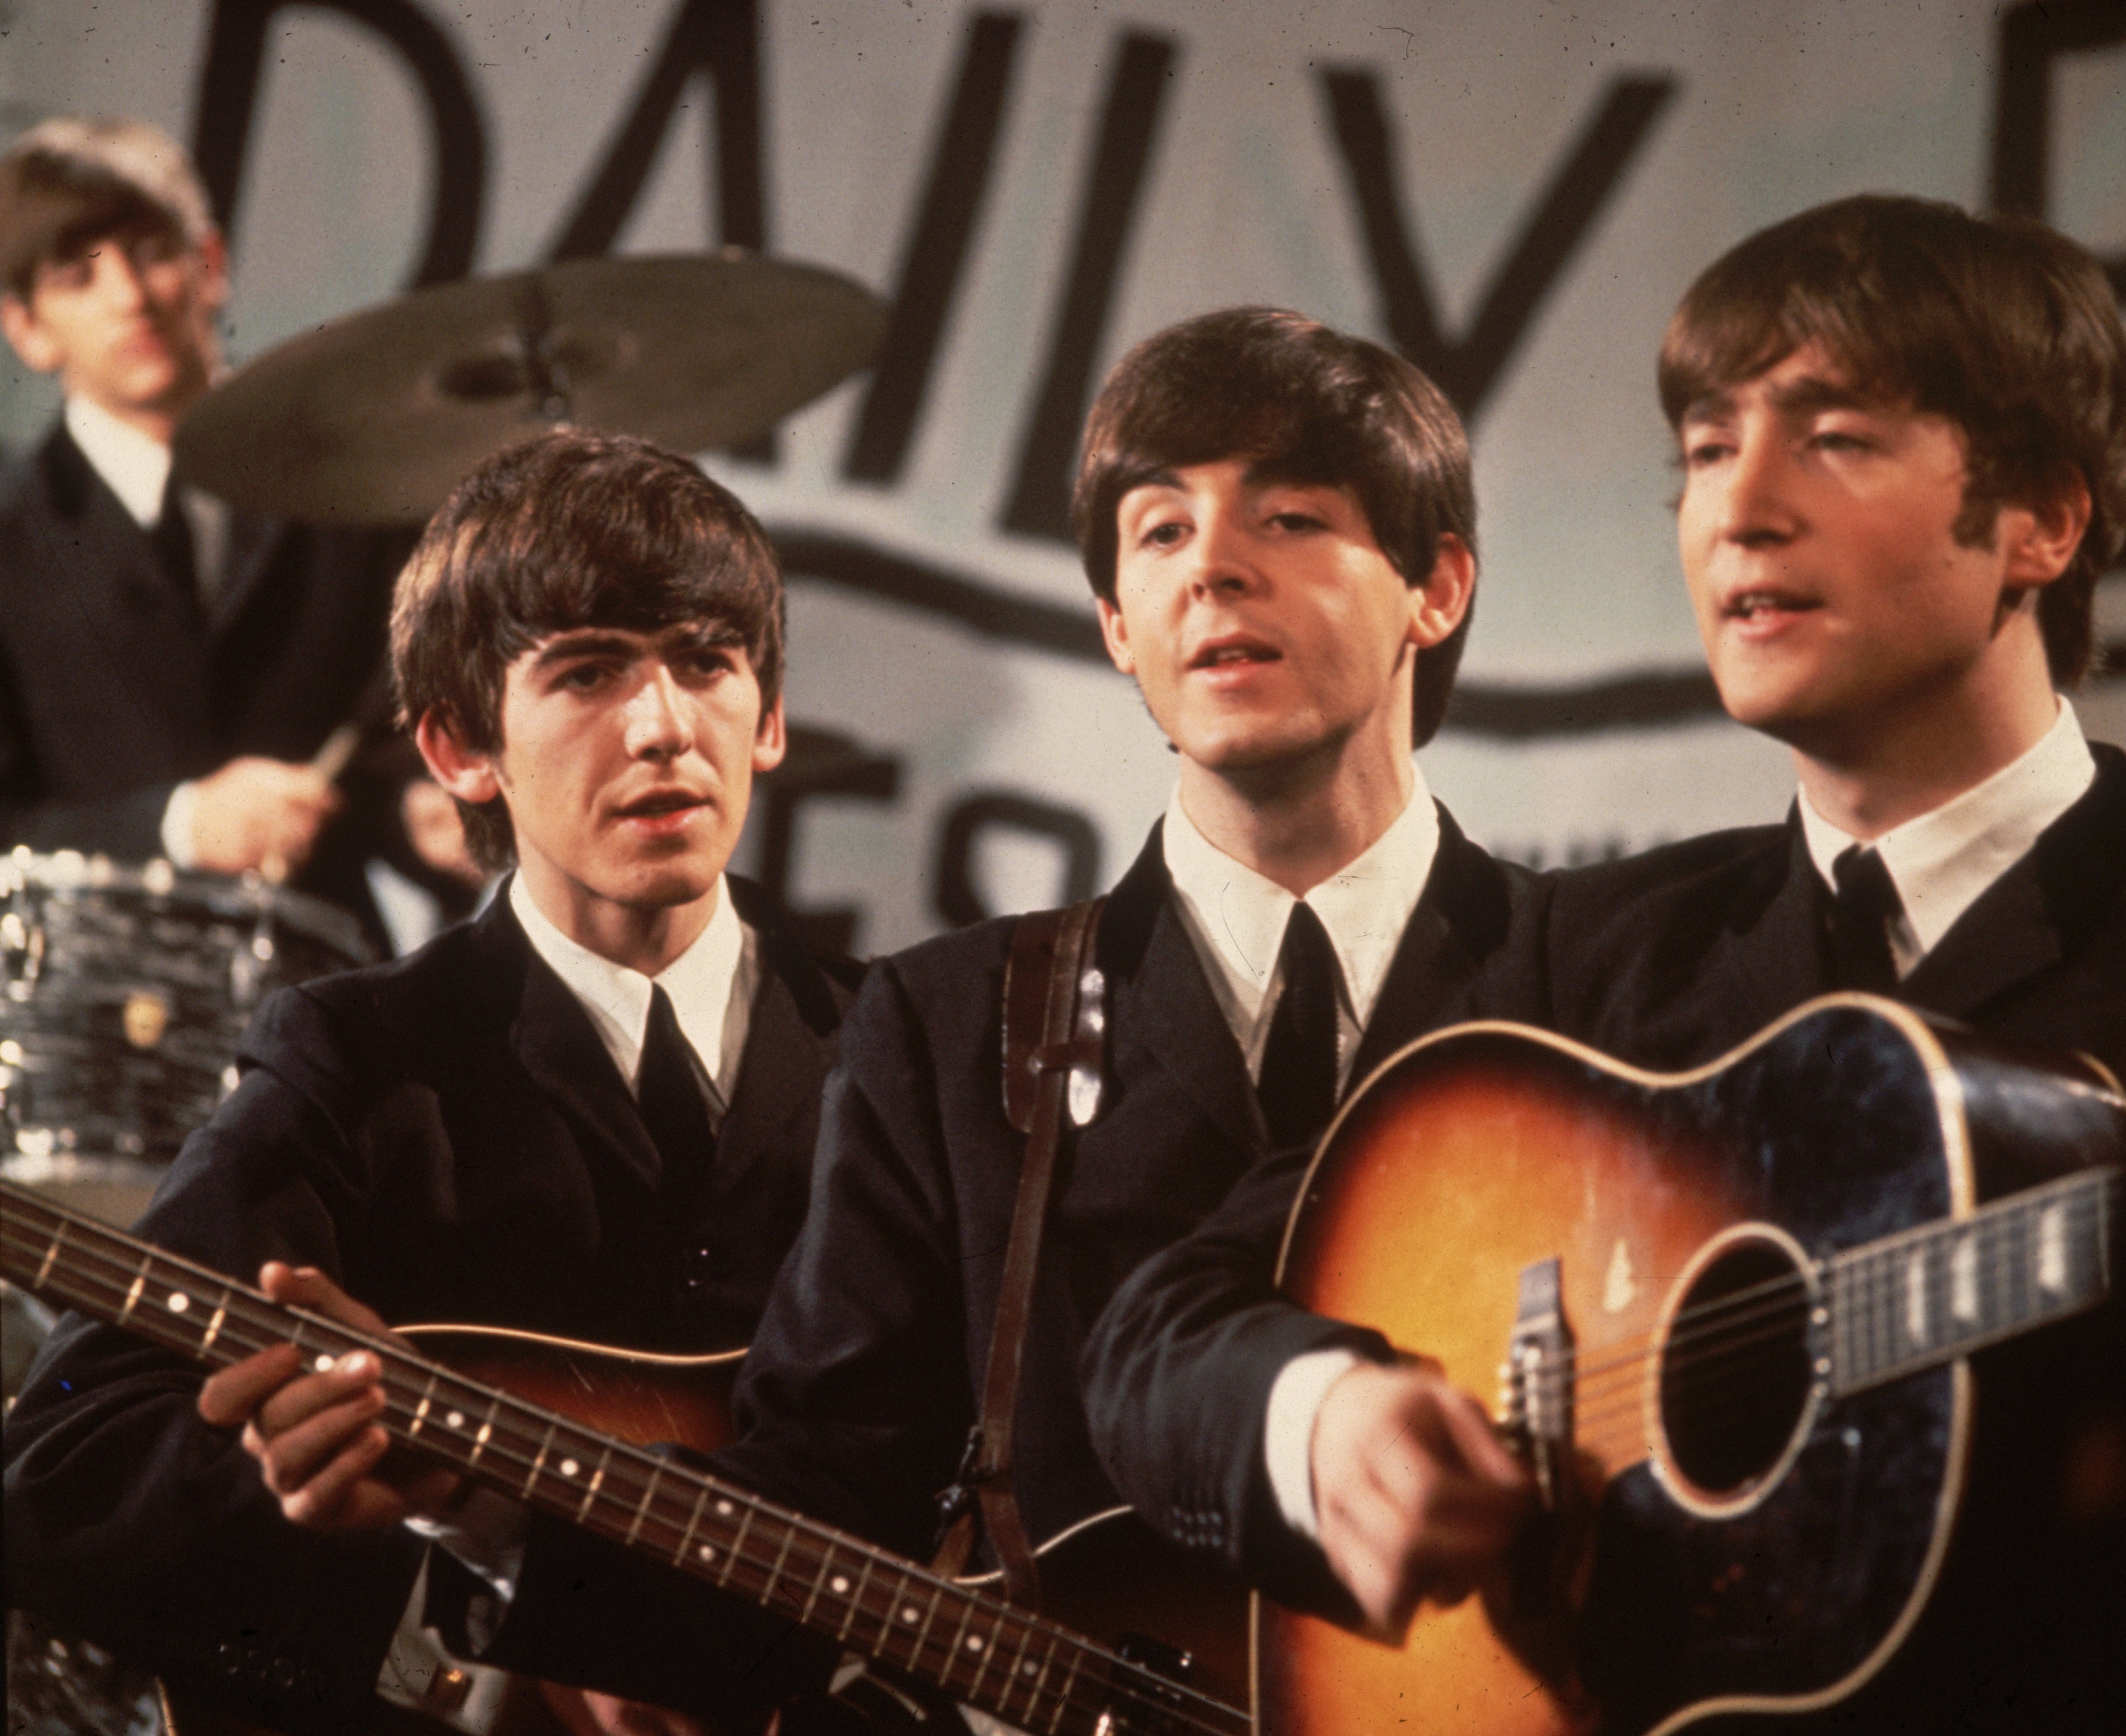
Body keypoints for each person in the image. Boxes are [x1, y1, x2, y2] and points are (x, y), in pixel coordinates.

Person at [196, 307, 1550, 1724]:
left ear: (1437, 587)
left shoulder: (1607, 974)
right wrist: (486, 1508)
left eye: (1288, 514)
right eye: (1157, 533)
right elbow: (813, 1526)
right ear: (1113, 625)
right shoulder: (952, 1023)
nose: (1212, 565)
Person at [1081, 195, 2126, 1731]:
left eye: (1833, 437)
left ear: (2041, 520)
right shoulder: (1582, 957)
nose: (1739, 510)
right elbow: (1159, 1328)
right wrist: (1324, 1425)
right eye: (1706, 450)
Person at [2, 429, 862, 1734]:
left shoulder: (905, 1045)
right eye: (586, 672)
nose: (665, 724)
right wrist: (371, 1505)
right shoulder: (357, 1056)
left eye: (707, 660)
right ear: (459, 748)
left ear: (773, 714)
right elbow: (64, 1468)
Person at [0, 116, 439, 935]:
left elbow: (391, 743)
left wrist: (421, 818)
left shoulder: (351, 489)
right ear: (26, 329)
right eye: (76, 276)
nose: (129, 298)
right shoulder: (9, 533)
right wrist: (179, 825)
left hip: (324, 991)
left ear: (210, 263)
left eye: (151, 252)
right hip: (92, 1016)